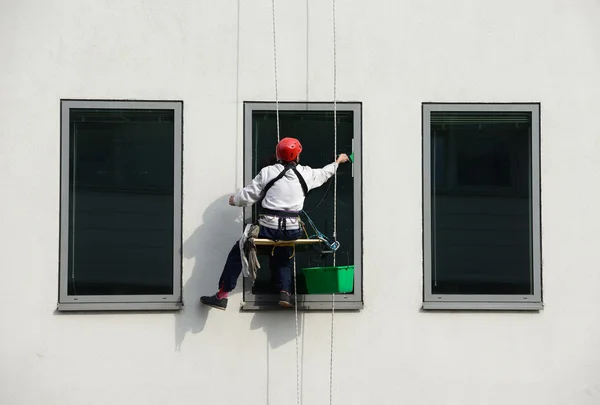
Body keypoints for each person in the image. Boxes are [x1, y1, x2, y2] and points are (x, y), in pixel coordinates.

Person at [201, 137, 350, 310]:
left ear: (279, 154)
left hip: (269, 228)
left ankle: (222, 294)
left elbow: (248, 195)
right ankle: (284, 292)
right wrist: (339, 160)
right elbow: (325, 173)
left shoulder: (268, 172)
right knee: (283, 253)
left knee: (239, 250)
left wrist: (234, 200)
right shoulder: (306, 173)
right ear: (297, 155)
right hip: (292, 230)